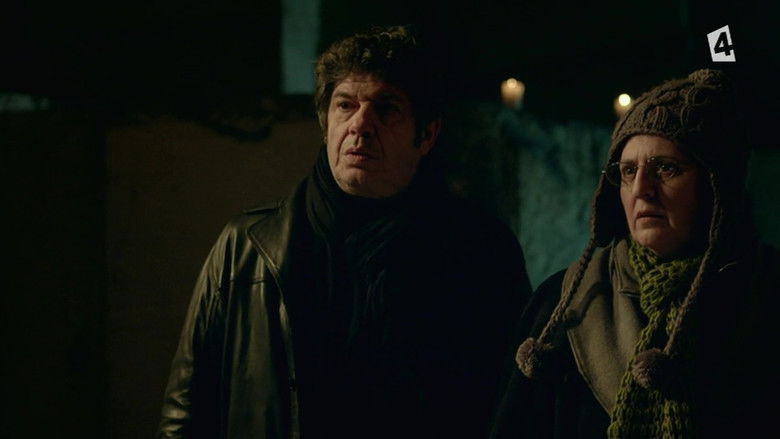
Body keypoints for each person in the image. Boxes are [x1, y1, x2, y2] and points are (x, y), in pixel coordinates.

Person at [159, 25, 532, 438]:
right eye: (345, 105)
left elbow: (516, 410)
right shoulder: (247, 245)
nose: (361, 125)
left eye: (386, 108)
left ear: (426, 134)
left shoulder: (481, 252)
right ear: (326, 124)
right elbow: (185, 409)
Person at [491, 69, 780, 438]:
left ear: (716, 185)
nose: (642, 188)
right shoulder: (563, 305)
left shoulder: (765, 295)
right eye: (628, 171)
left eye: (666, 168)